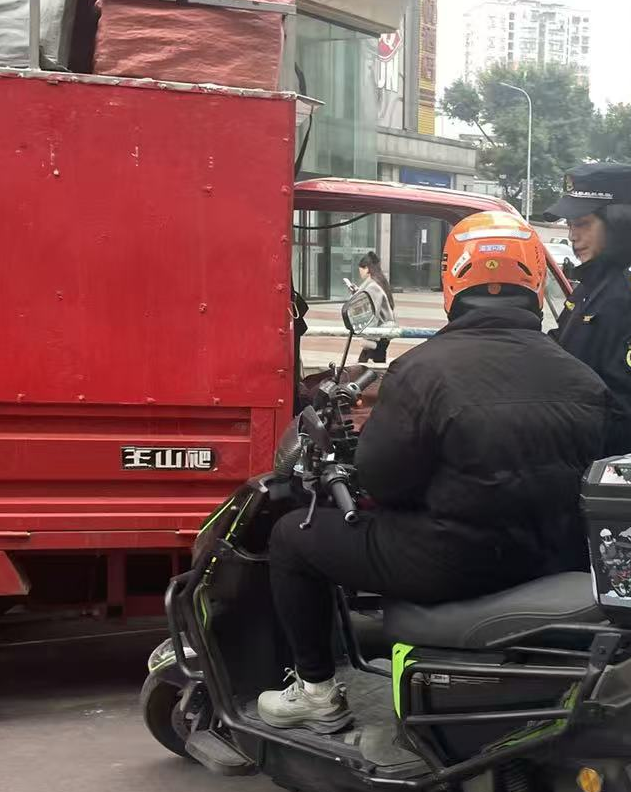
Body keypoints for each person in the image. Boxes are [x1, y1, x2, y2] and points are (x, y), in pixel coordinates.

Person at [256, 211, 610, 731]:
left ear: (452, 280)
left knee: (292, 536)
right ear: (536, 281)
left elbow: (382, 482)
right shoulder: (583, 377)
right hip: (548, 557)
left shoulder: (421, 370)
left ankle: (316, 692)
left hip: (453, 563)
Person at [544, 162, 631, 455]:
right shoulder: (596, 280)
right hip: (581, 454)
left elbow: (628, 408)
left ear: (618, 224)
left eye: (582, 224)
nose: (572, 236)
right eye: (570, 225)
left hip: (611, 465)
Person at [353, 251, 395, 365]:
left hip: (377, 334)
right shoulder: (380, 282)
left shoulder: (373, 286)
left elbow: (372, 313)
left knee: (365, 367)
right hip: (382, 333)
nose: (360, 273)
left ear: (367, 269)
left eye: (360, 270)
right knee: (377, 365)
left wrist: (369, 338)